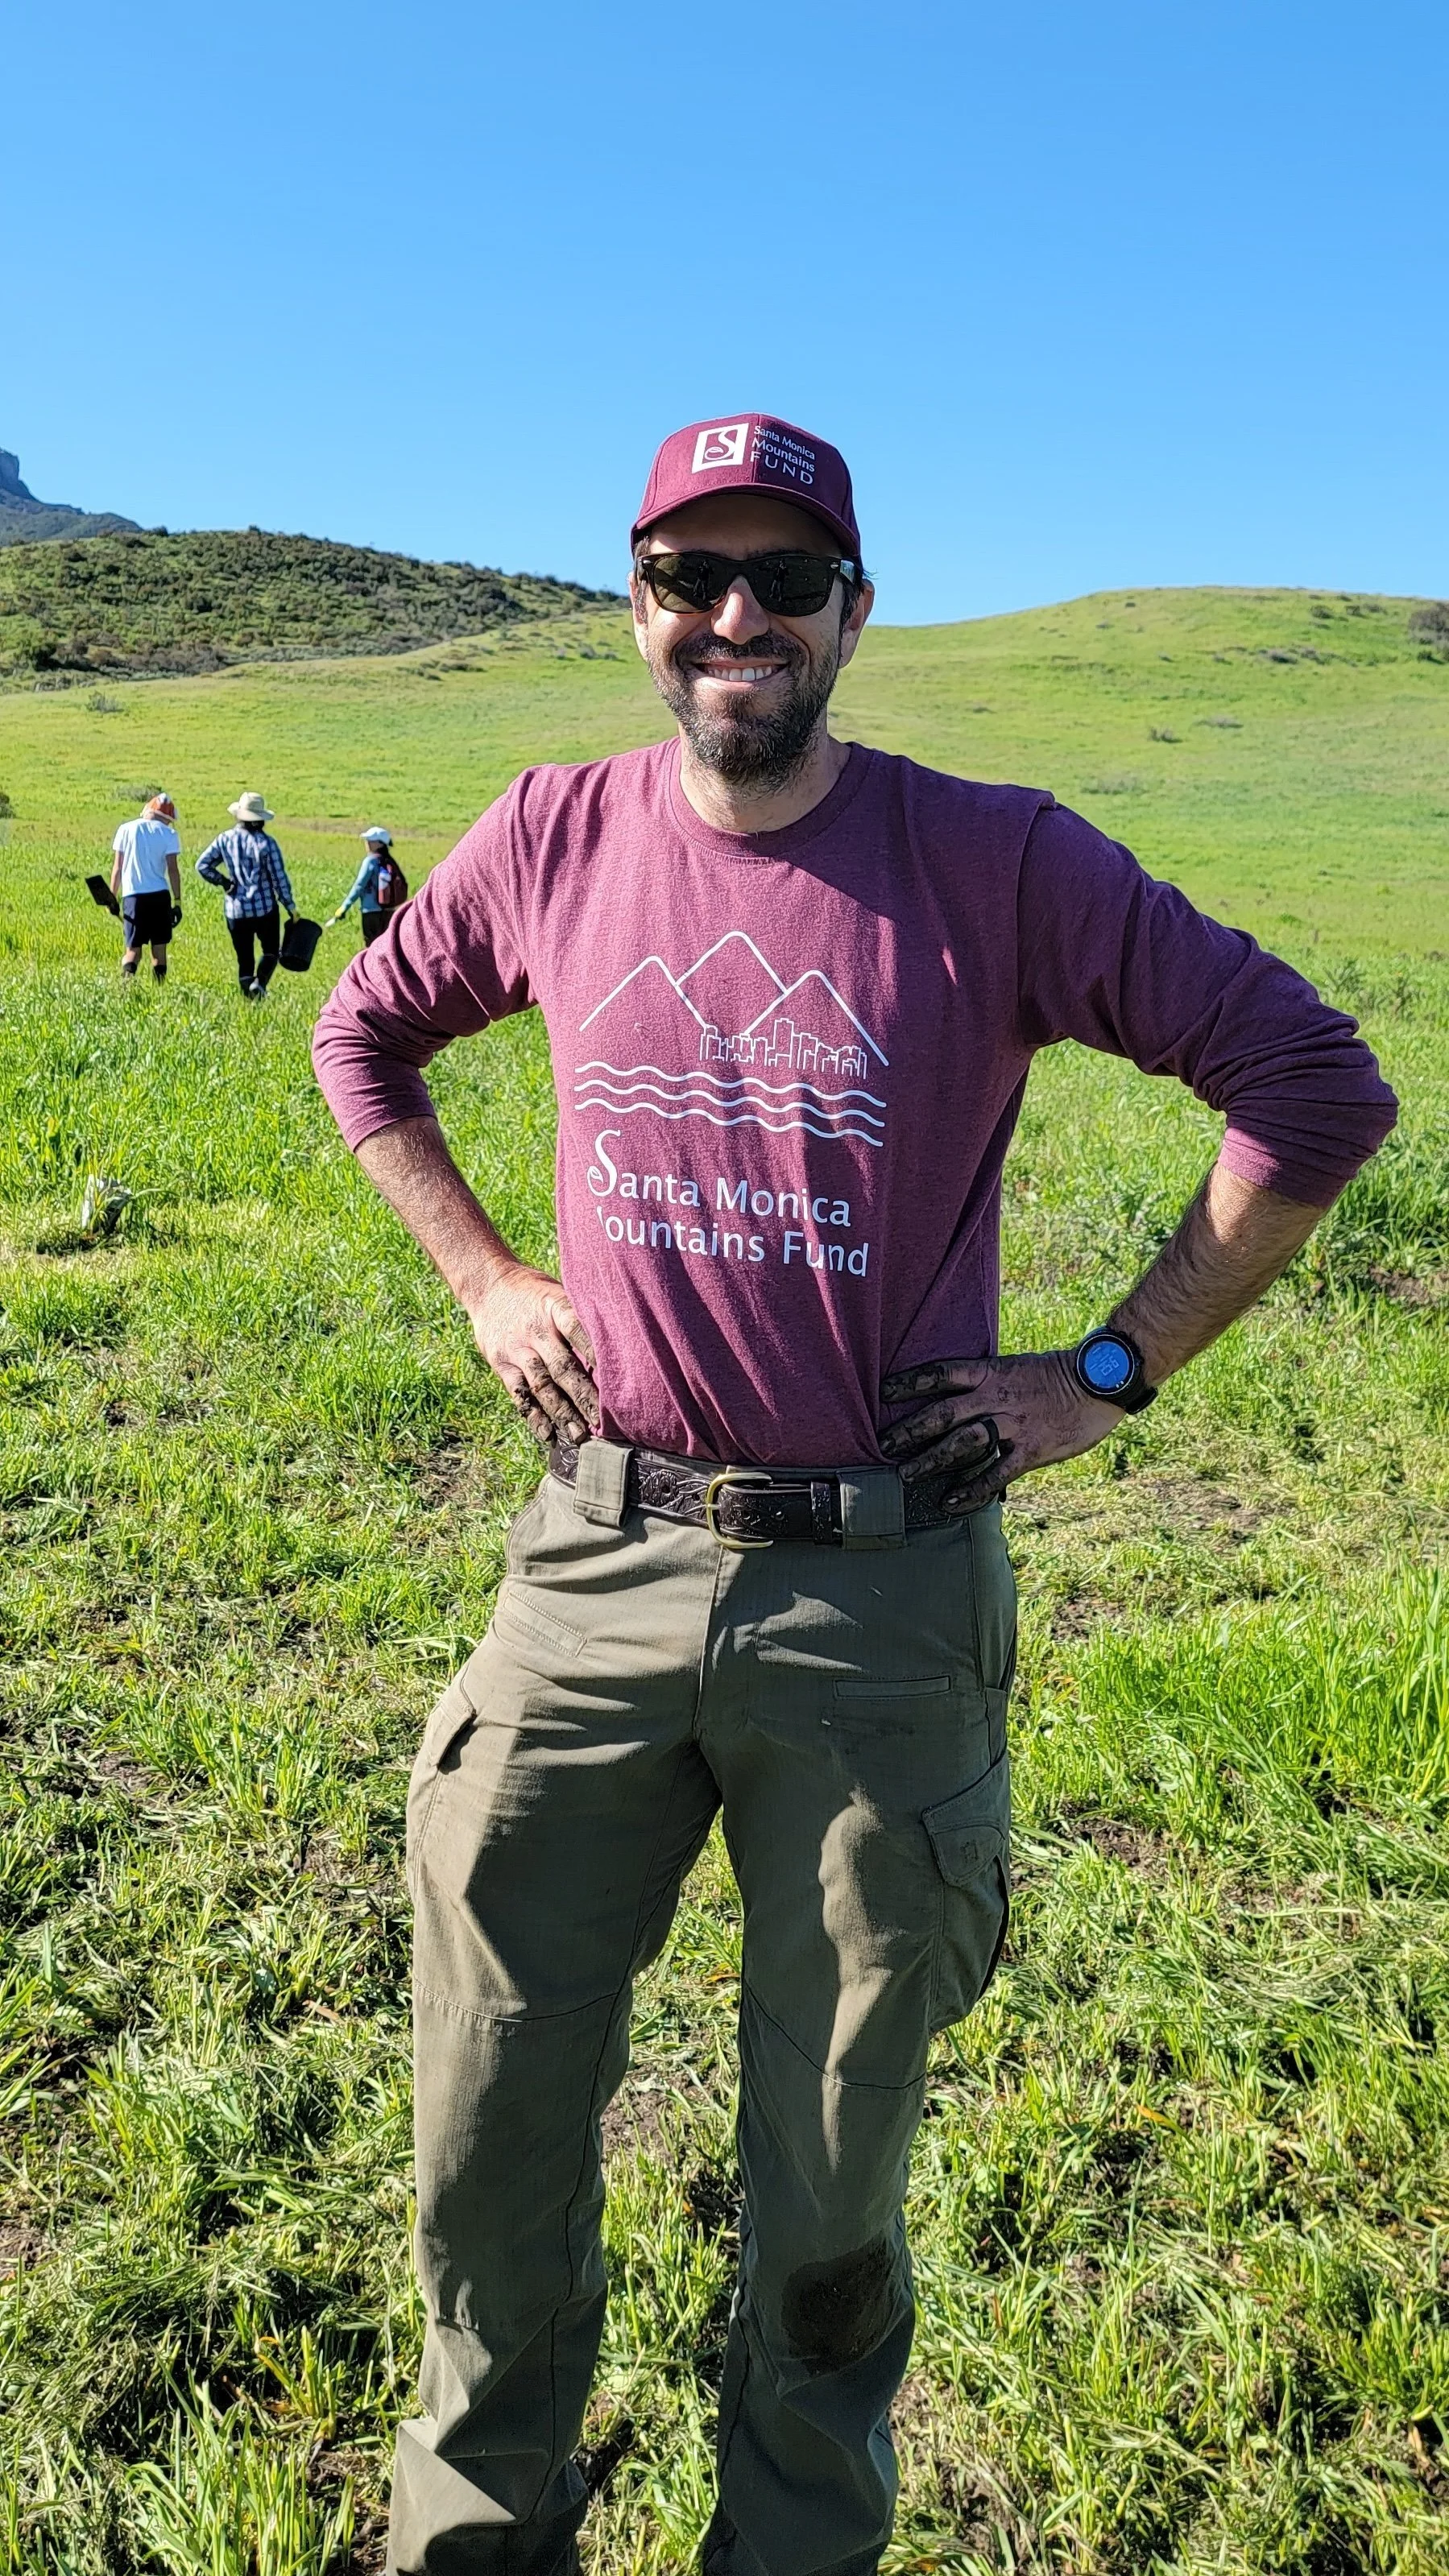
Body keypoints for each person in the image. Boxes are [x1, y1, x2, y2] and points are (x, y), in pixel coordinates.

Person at [313, 413, 1397, 2576]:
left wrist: (1106, 1366)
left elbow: (1312, 1080)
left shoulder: (990, 859)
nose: (732, 615)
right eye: (687, 572)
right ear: (634, 604)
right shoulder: (547, 829)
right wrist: (483, 1270)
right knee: (484, 2123)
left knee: (827, 2185)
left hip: (877, 1607)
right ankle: (473, 2531)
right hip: (590, 1567)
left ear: (847, 611)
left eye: (777, 578)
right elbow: (364, 1030)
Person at [195, 793, 296, 998]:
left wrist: (224, 882)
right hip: (265, 909)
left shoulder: (224, 839)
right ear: (260, 819)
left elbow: (202, 865)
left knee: (244, 957)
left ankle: (249, 996)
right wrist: (290, 906)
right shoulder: (267, 844)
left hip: (236, 910)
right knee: (270, 951)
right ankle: (259, 985)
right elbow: (279, 879)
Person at [110, 792, 181, 982]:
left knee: (133, 950)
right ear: (167, 817)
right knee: (159, 951)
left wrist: (112, 897)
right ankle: (160, 989)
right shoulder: (169, 834)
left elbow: (117, 868)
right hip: (160, 896)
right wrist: (178, 901)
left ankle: (125, 986)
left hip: (133, 897)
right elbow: (173, 871)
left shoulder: (125, 829)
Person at [326, 826, 408, 945]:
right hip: (389, 912)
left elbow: (359, 886)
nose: (367, 843)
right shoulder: (389, 861)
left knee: (371, 948)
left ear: (380, 844)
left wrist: (344, 907)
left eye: (371, 840)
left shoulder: (370, 861)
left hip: (371, 912)